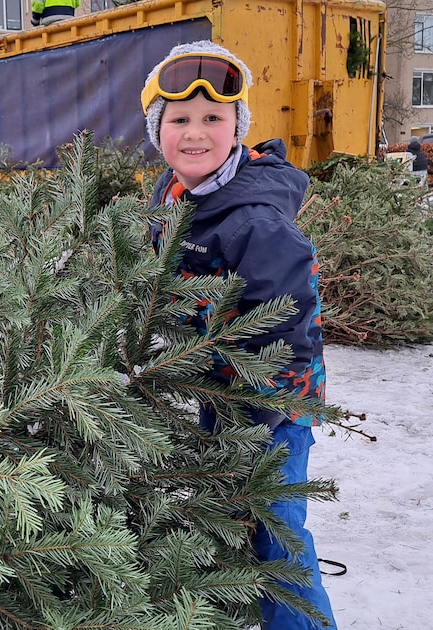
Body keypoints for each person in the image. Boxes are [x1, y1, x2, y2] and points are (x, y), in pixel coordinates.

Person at [141, 41, 336, 629]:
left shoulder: (254, 218)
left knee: (276, 528)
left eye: (213, 119)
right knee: (229, 515)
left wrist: (268, 404)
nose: (194, 134)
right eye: (178, 120)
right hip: (219, 391)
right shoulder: (176, 196)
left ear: (237, 127)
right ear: (157, 129)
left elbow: (288, 317)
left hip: (273, 403)